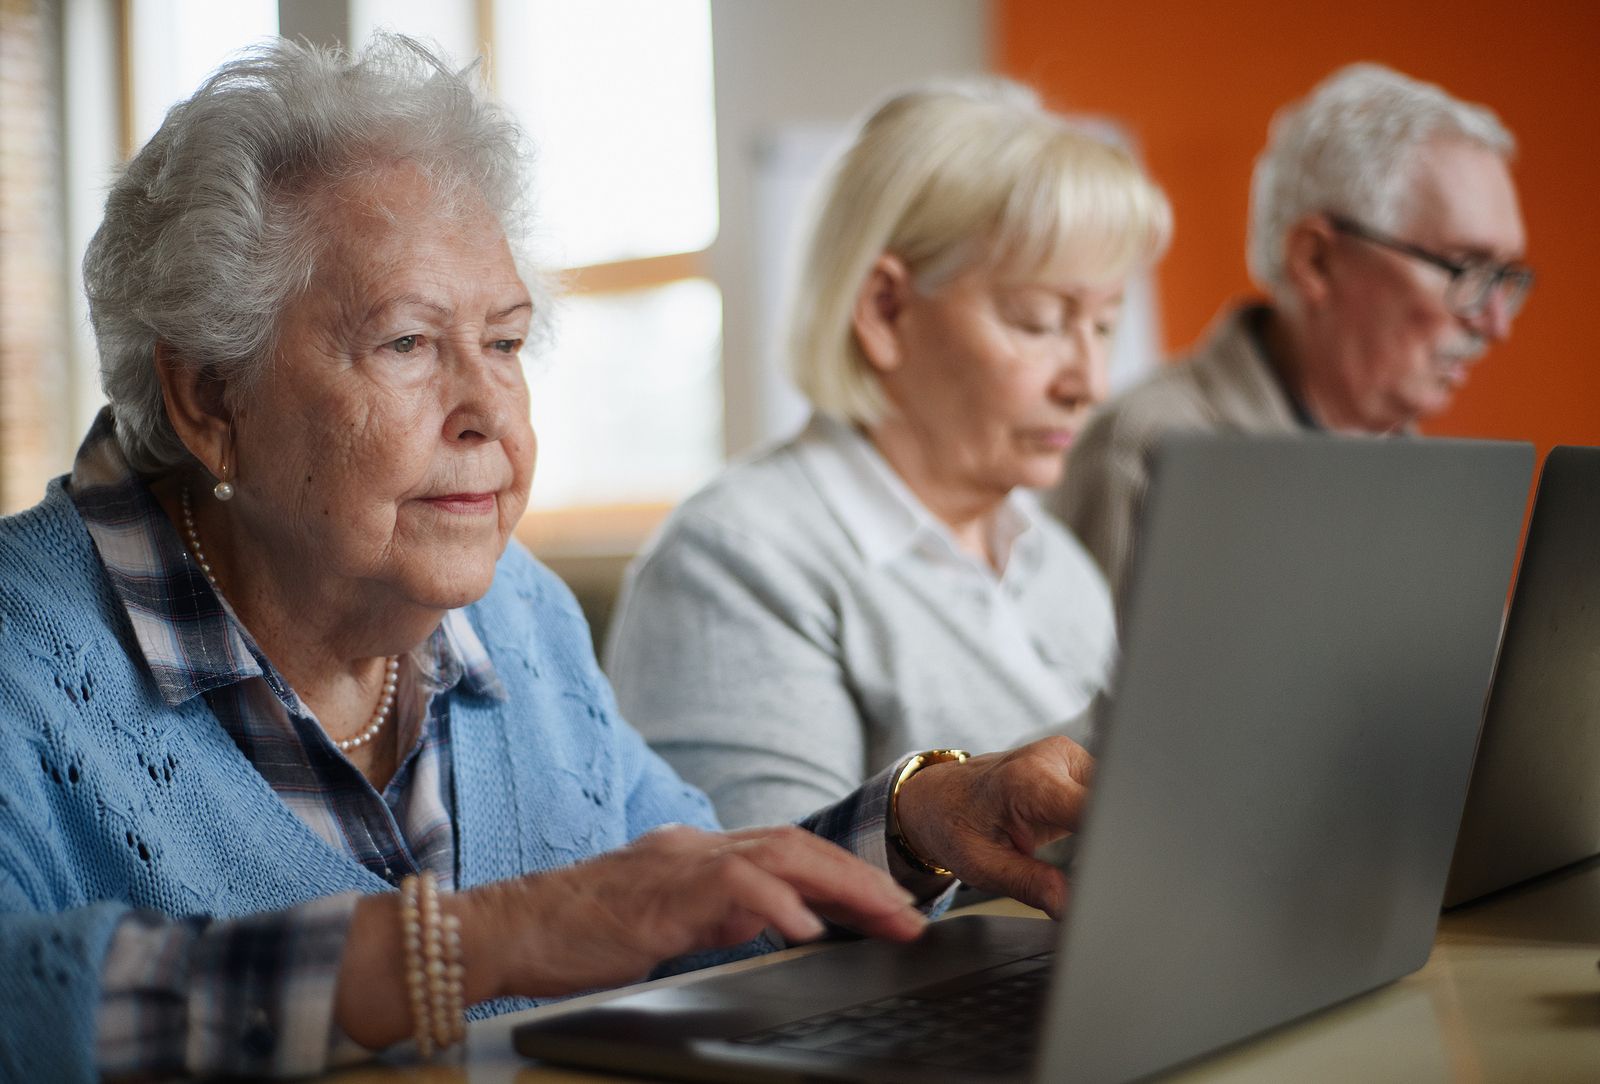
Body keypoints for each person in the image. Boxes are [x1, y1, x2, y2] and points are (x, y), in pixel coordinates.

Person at [0, 37, 1100, 1082]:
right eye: (408, 343)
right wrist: (484, 940)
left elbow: (690, 911)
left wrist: (920, 824)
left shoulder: (515, 613)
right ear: (209, 396)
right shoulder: (26, 652)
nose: (490, 410)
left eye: (508, 342)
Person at [605, 80, 1171, 828]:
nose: (1089, 383)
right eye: (1039, 321)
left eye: (1103, 327)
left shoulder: (1056, 563)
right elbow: (762, 915)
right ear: (884, 310)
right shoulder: (734, 561)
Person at [1046, 63, 1532, 603]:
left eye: (1505, 278)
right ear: (1316, 260)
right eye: (1465, 269)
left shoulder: (1430, 484)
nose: (1496, 324)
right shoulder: (1146, 453)